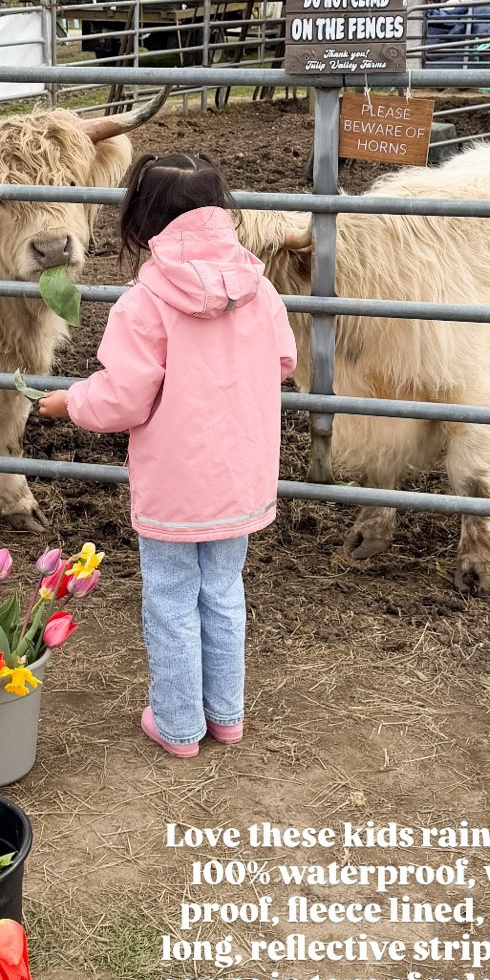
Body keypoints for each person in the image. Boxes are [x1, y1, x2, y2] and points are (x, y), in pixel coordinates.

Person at [39, 153, 297, 758]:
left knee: (172, 595)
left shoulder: (145, 302)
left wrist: (71, 402)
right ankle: (225, 715)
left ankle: (179, 725)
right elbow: (283, 361)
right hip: (241, 473)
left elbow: (124, 398)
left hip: (176, 483)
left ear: (142, 220)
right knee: (225, 589)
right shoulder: (258, 289)